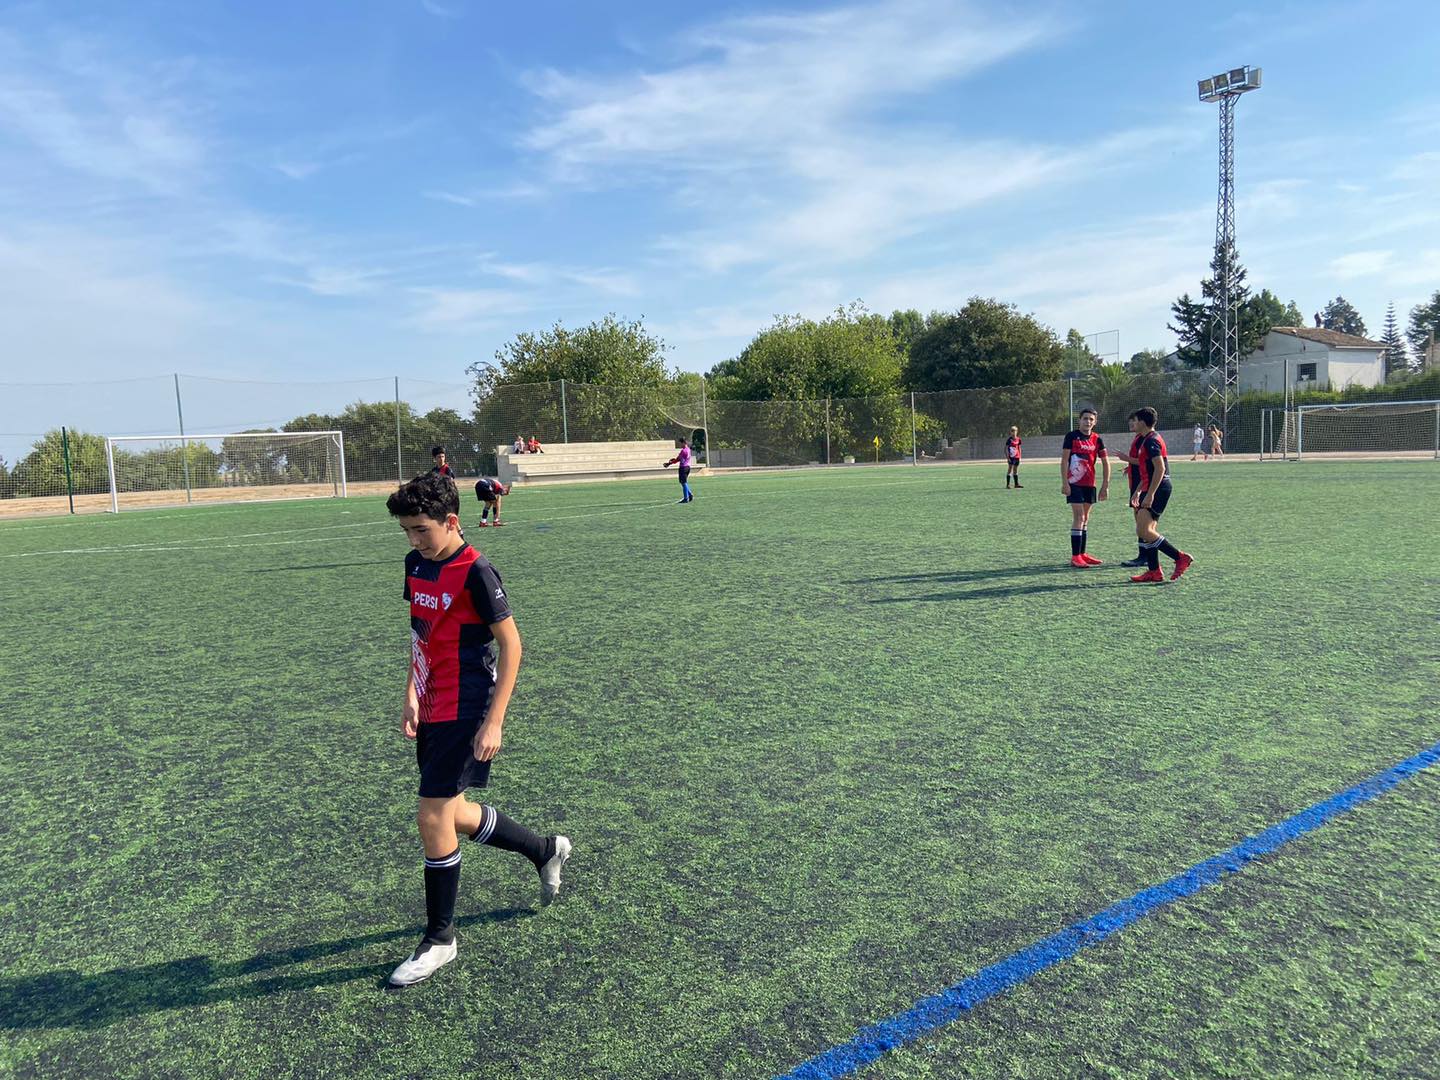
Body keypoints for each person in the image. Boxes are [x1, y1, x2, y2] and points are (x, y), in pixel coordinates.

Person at [384, 472, 570, 988]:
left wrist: (495, 720)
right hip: (433, 701)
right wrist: (411, 692)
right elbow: (421, 634)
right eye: (406, 531)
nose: (413, 539)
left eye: (421, 529)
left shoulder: (477, 571)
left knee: (431, 815)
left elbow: (512, 646)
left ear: (451, 521)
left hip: (469, 707)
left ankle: (440, 939)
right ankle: (544, 849)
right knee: (453, 813)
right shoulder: (415, 564)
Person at [1128, 407, 1193, 584]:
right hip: (1151, 487)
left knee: (1144, 530)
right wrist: (1138, 491)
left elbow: (1160, 469)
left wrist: (1150, 495)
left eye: (1135, 420)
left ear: (1142, 421)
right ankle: (1154, 571)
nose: (1134, 423)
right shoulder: (1147, 439)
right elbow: (1147, 470)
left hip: (1158, 488)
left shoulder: (1151, 441)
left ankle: (1179, 557)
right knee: (1146, 530)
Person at [1060, 407, 1109, 567]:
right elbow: (1065, 460)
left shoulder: (1097, 439)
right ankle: (1075, 556)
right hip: (1074, 484)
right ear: (1079, 420)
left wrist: (1105, 485)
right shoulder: (1072, 436)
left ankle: (1082, 553)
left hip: (1090, 484)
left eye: (1091, 419)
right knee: (1079, 518)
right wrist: (1065, 482)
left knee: (1086, 518)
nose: (1088, 421)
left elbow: (1105, 462)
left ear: (1095, 422)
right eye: (1085, 418)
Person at [1112, 416, 1148, 568]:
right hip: (1136, 482)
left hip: (1142, 484)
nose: (1131, 423)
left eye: (1135, 420)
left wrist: (1126, 459)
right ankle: (1144, 555)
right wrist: (1129, 466)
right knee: (1139, 520)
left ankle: (1144, 556)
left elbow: (1144, 461)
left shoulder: (1145, 439)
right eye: (1130, 421)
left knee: (1143, 522)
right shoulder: (1138, 438)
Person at [664, 438, 694, 504]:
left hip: (683, 467)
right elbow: (680, 459)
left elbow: (677, 459)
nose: (680, 444)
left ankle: (686, 498)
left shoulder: (683, 451)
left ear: (684, 443)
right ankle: (690, 495)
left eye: (681, 443)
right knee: (684, 482)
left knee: (683, 482)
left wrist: (669, 463)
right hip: (688, 467)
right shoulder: (688, 449)